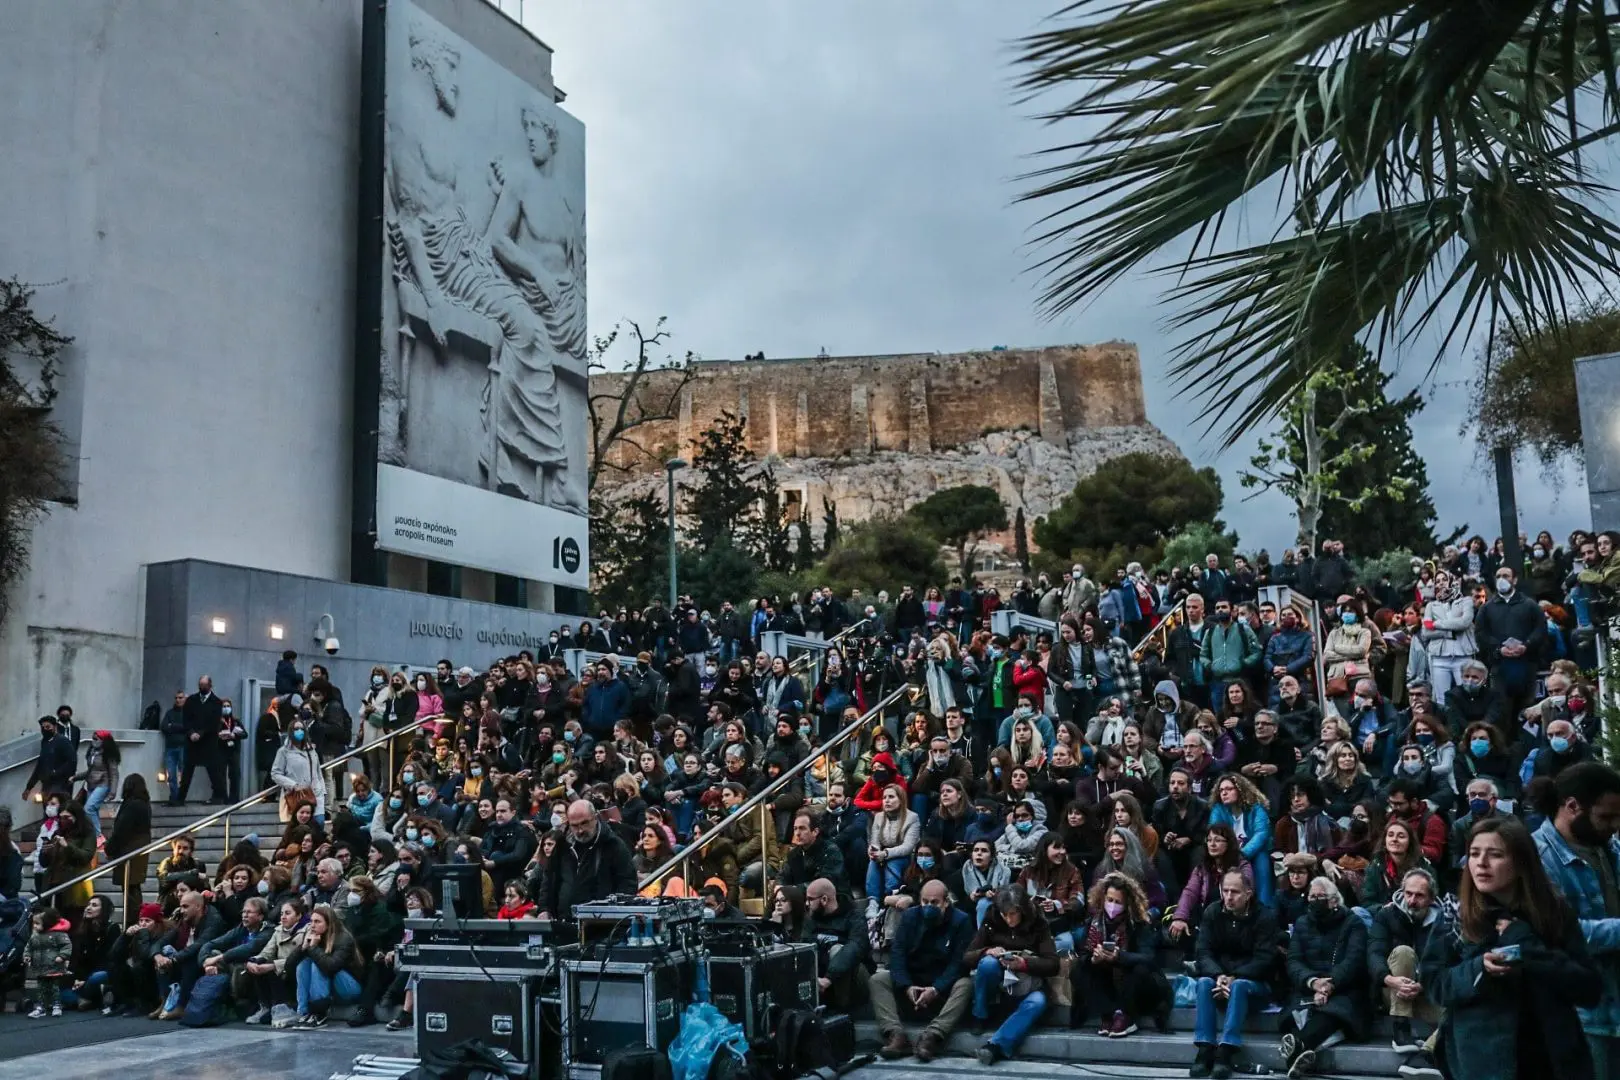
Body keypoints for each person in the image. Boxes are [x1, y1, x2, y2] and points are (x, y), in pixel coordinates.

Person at [1425, 816, 1601, 1080]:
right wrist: (1479, 968)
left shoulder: (1554, 913)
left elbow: (1588, 989)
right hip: (1481, 1061)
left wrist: (1527, 945)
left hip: (1551, 1058)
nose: (1481, 863)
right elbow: (1434, 982)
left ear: (1520, 863)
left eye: (1495, 854)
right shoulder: (1455, 915)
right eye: (1474, 853)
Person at [1533, 762, 1620, 1079]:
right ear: (1572, 806)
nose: (1614, 825)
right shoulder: (1537, 856)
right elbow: (1557, 932)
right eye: (1606, 817)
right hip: (1580, 1016)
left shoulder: (1608, 848)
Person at [1190, 868, 1281, 1079]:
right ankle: (1205, 1048)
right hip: (1220, 981)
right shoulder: (1213, 912)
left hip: (1255, 986)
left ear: (1248, 893)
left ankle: (1226, 1050)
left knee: (1239, 985)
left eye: (1235, 892)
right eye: (1225, 890)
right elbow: (1203, 951)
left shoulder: (1265, 916)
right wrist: (1218, 975)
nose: (1228, 897)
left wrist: (1234, 977)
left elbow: (1265, 959)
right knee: (1203, 982)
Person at [872, 879, 975, 1061]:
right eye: (925, 902)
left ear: (946, 902)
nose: (929, 906)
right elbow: (898, 953)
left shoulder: (962, 921)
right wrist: (906, 986)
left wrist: (936, 989)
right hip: (912, 985)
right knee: (878, 980)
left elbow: (958, 964)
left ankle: (932, 1036)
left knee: (965, 984)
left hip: (941, 988)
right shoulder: (910, 917)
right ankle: (896, 1035)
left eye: (934, 903)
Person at [1278, 876, 1369, 1078]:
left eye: (1321, 896)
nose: (1315, 901)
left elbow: (1354, 961)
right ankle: (1300, 1051)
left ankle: (1298, 1046)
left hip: (1345, 988)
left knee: (1333, 1013)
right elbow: (1293, 961)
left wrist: (1330, 985)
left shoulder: (1353, 923)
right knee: (1295, 1012)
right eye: (1312, 896)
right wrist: (1313, 982)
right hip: (1308, 986)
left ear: (1334, 900)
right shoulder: (1302, 923)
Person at [966, 885, 1061, 1066]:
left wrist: (1024, 963)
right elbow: (967, 957)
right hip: (998, 982)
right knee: (987, 964)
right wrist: (988, 951)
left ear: (1022, 910)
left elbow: (1053, 964)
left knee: (1038, 1002)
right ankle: (980, 1014)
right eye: (1004, 914)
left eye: (1012, 914)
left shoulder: (1038, 924)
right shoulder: (992, 919)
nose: (1008, 919)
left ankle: (996, 1046)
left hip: (1027, 983)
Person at [1070, 871, 1169, 1038]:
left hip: (1136, 983)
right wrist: (1093, 958)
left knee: (1138, 970)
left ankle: (1127, 1016)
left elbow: (1149, 958)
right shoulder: (1094, 922)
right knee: (1080, 969)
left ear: (1127, 903)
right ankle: (1107, 1013)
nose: (1112, 905)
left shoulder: (1139, 924)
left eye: (1118, 902)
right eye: (1110, 900)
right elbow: (1083, 954)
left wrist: (1120, 957)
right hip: (1107, 979)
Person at [1368, 868, 1446, 1064]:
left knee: (1459, 1010)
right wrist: (1389, 980)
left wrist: (1423, 984)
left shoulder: (1443, 922)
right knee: (1403, 952)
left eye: (1419, 896)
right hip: (1391, 991)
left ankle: (1426, 1052)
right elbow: (1374, 952)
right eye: (1408, 893)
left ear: (1431, 898)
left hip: (1425, 993)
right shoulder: (1386, 915)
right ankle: (1400, 1026)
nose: (1412, 901)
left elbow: (1446, 962)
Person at [537, 800, 635, 919]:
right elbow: (548, 879)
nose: (580, 830)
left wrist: (614, 917)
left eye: (584, 823)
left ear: (595, 818)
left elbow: (627, 884)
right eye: (574, 825)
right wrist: (544, 909)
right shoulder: (562, 845)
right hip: (564, 922)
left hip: (600, 925)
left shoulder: (614, 845)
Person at [285, 902, 364, 1027]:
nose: (312, 926)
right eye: (311, 921)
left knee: (317, 965)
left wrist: (313, 948)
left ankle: (319, 1013)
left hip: (349, 989)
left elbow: (330, 967)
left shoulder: (344, 939)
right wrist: (303, 947)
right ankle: (303, 1012)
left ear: (329, 923)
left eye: (318, 922)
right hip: (332, 990)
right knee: (303, 964)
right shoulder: (314, 936)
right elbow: (288, 967)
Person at [801, 878, 870, 1009]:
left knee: (838, 950)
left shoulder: (854, 915)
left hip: (855, 979)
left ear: (824, 900)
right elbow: (804, 946)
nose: (807, 903)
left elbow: (855, 948)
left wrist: (828, 978)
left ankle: (841, 1009)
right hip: (822, 978)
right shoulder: (811, 918)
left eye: (810, 899)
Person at [180, 675, 229, 805]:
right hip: (192, 741)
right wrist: (191, 733)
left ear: (210, 686)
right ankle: (180, 798)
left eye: (204, 685)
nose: (202, 688)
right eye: (200, 685)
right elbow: (186, 719)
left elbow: (214, 723)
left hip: (208, 741)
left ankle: (221, 797)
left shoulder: (216, 702)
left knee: (213, 770)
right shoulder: (191, 700)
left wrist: (200, 733)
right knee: (187, 771)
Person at [271, 715, 325, 824]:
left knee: (319, 825)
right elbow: (275, 773)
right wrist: (293, 785)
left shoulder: (311, 751)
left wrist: (322, 790)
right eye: (296, 729)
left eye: (301, 729)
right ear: (291, 731)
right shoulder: (284, 751)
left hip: (315, 795)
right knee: (299, 831)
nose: (299, 731)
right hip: (297, 796)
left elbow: (318, 772)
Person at [25, 906, 73, 1018]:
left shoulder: (58, 934)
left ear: (47, 923)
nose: (34, 926)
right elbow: (29, 947)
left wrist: (62, 956)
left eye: (37, 923)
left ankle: (56, 1005)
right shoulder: (35, 936)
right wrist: (27, 956)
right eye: (34, 923)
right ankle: (41, 1006)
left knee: (54, 987)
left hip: (54, 966)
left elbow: (67, 945)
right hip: (40, 967)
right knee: (41, 989)